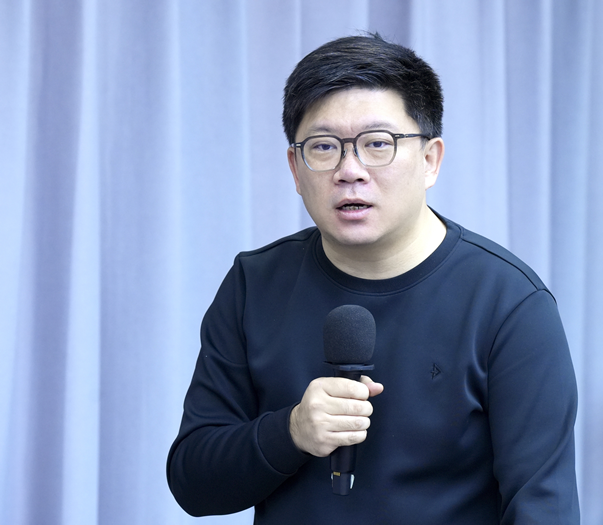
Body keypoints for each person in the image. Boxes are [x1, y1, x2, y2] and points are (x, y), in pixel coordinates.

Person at [167, 33, 579, 524]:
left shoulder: (509, 304)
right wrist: (291, 431)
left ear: (430, 160)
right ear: (295, 169)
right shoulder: (254, 285)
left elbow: (543, 508)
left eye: (377, 144)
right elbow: (194, 484)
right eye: (324, 147)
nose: (350, 170)